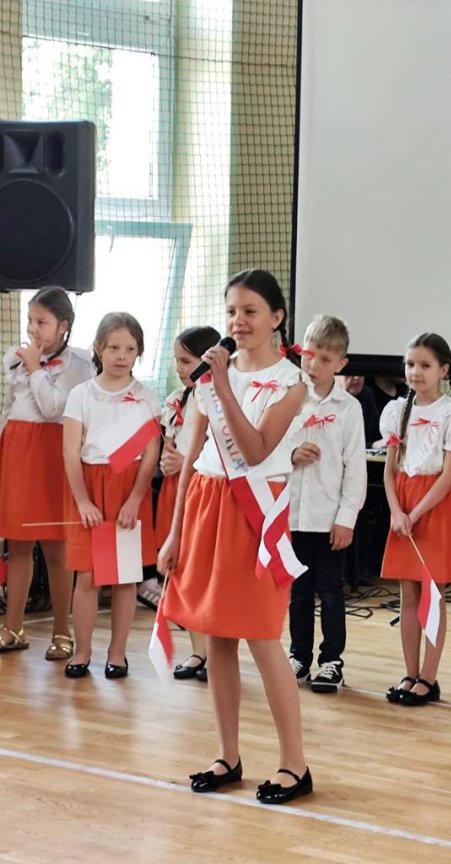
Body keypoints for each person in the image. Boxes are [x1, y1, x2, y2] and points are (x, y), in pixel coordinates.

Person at [158, 268, 313, 805]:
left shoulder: (291, 383)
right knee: (216, 635)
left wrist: (223, 385)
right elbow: (192, 459)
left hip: (255, 513)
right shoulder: (207, 380)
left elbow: (254, 450)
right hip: (206, 505)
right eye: (231, 311)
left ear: (276, 317)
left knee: (263, 638)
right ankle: (228, 754)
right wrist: (174, 532)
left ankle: (295, 763)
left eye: (250, 311)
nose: (238, 321)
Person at [62, 312, 160, 679]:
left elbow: (150, 454)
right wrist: (83, 500)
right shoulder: (80, 395)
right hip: (88, 487)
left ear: (139, 352)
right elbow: (70, 451)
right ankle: (82, 650)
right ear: (98, 348)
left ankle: (117, 653)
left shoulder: (147, 398)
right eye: (114, 347)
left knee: (124, 578)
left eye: (130, 349)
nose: (122, 355)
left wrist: (135, 499)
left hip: (128, 492)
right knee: (87, 576)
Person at [0, 285, 93, 658]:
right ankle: (13, 628)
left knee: (56, 547)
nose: (32, 328)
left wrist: (37, 369)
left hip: (53, 453)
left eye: (42, 322)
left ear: (63, 325)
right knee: (17, 545)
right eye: (30, 320)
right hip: (17, 451)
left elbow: (54, 409)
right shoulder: (13, 358)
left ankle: (61, 632)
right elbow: (9, 408)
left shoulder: (79, 364)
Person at [381, 333, 451, 706]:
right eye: (410, 365)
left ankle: (429, 678)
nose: (415, 372)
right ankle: (410, 671)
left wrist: (415, 513)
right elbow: (389, 470)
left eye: (425, 365)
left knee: (432, 593)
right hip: (403, 502)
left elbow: (449, 475)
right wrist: (396, 511)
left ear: (443, 370)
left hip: (434, 504)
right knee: (407, 592)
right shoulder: (396, 412)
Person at [288, 314, 367, 692]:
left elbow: (355, 469)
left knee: (332, 593)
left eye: (324, 359)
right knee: (298, 592)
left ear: (340, 363)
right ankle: (298, 656)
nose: (313, 365)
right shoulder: (289, 398)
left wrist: (346, 518)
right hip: (293, 516)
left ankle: (331, 660)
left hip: (329, 518)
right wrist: (291, 454)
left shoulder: (348, 408)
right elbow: (267, 446)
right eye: (308, 355)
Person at [156, 325, 221, 683]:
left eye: (186, 360)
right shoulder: (177, 399)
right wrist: (168, 460)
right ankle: (199, 651)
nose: (180, 368)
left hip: (203, 488)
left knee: (205, 571)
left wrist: (186, 463)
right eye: (177, 360)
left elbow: (219, 449)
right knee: (181, 571)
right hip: (175, 488)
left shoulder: (219, 399)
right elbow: (170, 444)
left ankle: (216, 651)